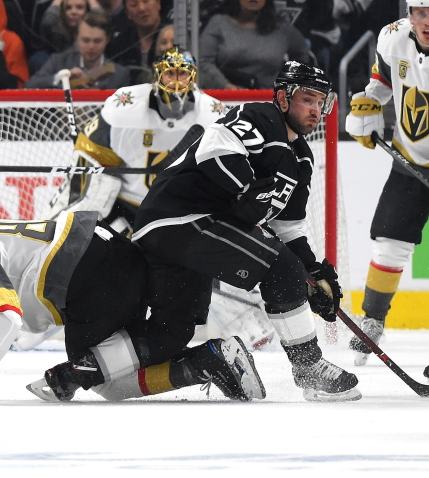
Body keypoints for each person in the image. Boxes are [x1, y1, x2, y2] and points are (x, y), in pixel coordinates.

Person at [130, 60, 362, 402]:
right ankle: (308, 366)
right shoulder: (260, 117)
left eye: (320, 102)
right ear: (283, 99)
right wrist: (247, 189)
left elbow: (287, 226)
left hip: (186, 230)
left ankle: (85, 369)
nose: (316, 110)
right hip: (180, 218)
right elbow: (214, 149)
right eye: (307, 99)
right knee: (279, 267)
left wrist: (312, 271)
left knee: (172, 331)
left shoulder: (301, 159)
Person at [21, 46, 276, 354]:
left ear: (194, 77)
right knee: (77, 245)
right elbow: (90, 151)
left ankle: (245, 322)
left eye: (183, 73)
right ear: (157, 75)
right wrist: (93, 180)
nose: (177, 80)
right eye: (170, 72)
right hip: (125, 204)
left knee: (207, 259)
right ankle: (35, 320)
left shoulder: (214, 114)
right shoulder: (124, 105)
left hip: (177, 211)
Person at [0, 198, 265, 404]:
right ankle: (214, 361)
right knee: (118, 362)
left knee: (103, 380)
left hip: (88, 278)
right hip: (106, 255)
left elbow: (3, 315)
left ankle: (207, 362)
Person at [344, 1, 429, 370]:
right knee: (389, 242)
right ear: (410, 14)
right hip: (409, 154)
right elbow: (381, 83)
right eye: (421, 13)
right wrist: (368, 106)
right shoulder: (392, 38)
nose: (428, 21)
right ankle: (371, 320)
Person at [199, 0, 310, 90]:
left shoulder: (283, 30)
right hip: (226, 97)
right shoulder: (219, 23)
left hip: (269, 99)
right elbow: (203, 60)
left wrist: (289, 85)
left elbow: (302, 56)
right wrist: (225, 85)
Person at [24, 10, 130, 89]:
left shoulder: (120, 74)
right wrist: (62, 78)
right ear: (76, 38)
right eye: (85, 40)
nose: (91, 46)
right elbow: (29, 86)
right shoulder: (58, 62)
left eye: (97, 41)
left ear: (107, 39)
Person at [106, 0, 166, 84]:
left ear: (158, 3)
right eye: (134, 5)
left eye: (146, 1)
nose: (142, 8)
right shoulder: (120, 44)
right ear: (127, 13)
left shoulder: (173, 37)